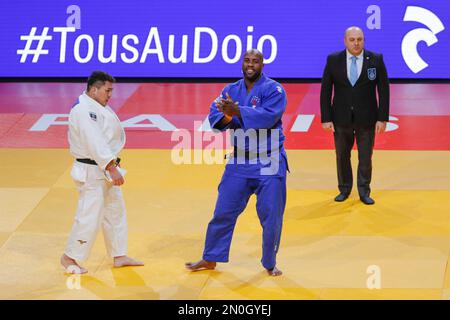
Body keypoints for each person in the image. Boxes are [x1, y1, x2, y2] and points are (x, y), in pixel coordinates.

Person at [185, 49, 288, 276]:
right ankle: (211, 257)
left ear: (263, 65)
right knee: (223, 211)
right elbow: (214, 118)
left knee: (271, 216)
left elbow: (268, 117)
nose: (250, 65)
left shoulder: (274, 89)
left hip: (269, 159)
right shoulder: (230, 90)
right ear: (242, 63)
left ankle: (269, 263)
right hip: (239, 160)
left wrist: (238, 111)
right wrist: (231, 115)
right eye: (247, 60)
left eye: (255, 61)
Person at [60, 71, 143, 274]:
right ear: (94, 89)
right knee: (89, 215)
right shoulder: (83, 110)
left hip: (101, 168)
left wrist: (109, 166)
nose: (110, 95)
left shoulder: (95, 106)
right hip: (91, 170)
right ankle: (69, 257)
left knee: (115, 211)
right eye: (107, 90)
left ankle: (118, 254)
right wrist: (111, 167)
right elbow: (94, 141)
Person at [320, 26, 390, 205]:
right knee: (342, 156)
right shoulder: (333, 59)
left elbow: (384, 90)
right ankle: (344, 189)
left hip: (367, 118)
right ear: (345, 41)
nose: (356, 43)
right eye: (352, 40)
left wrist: (382, 118)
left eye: (360, 39)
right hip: (340, 118)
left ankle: (364, 191)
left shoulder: (375, 59)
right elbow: (326, 90)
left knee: (365, 157)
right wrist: (326, 118)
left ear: (364, 40)